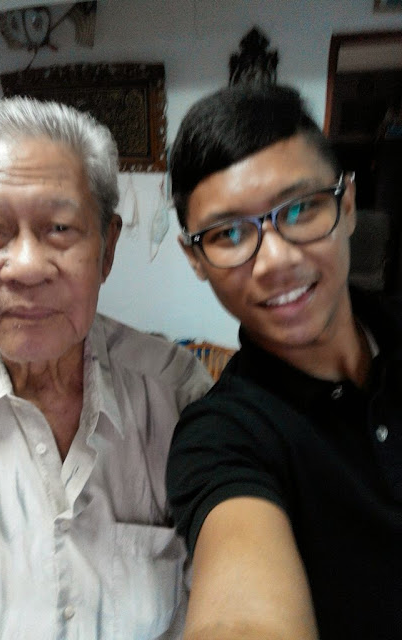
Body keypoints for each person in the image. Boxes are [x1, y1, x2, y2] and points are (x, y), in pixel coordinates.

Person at [0, 97, 213, 639]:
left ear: (107, 248)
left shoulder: (177, 395)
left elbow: (216, 588)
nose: (27, 267)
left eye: (59, 227)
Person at [166, 84, 402, 640]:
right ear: (195, 258)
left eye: (299, 209)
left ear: (347, 206)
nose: (275, 260)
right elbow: (241, 613)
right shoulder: (222, 438)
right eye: (228, 233)